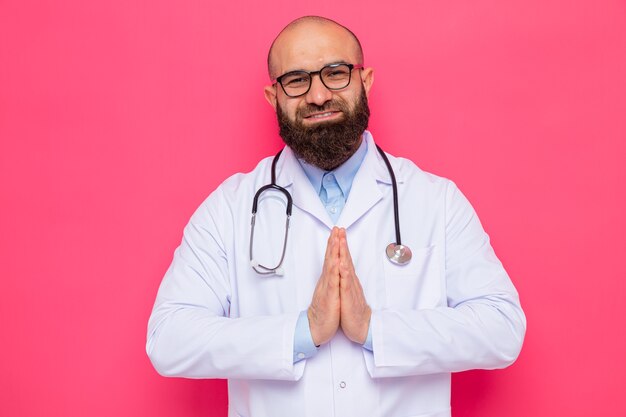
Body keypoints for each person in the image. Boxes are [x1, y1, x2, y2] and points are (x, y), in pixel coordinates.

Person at [147, 16, 526, 417]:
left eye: (336, 73)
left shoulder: (436, 201)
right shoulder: (229, 208)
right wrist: (303, 331)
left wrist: (373, 330)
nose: (318, 95)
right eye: (296, 80)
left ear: (366, 81)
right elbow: (168, 338)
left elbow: (502, 328)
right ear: (272, 97)